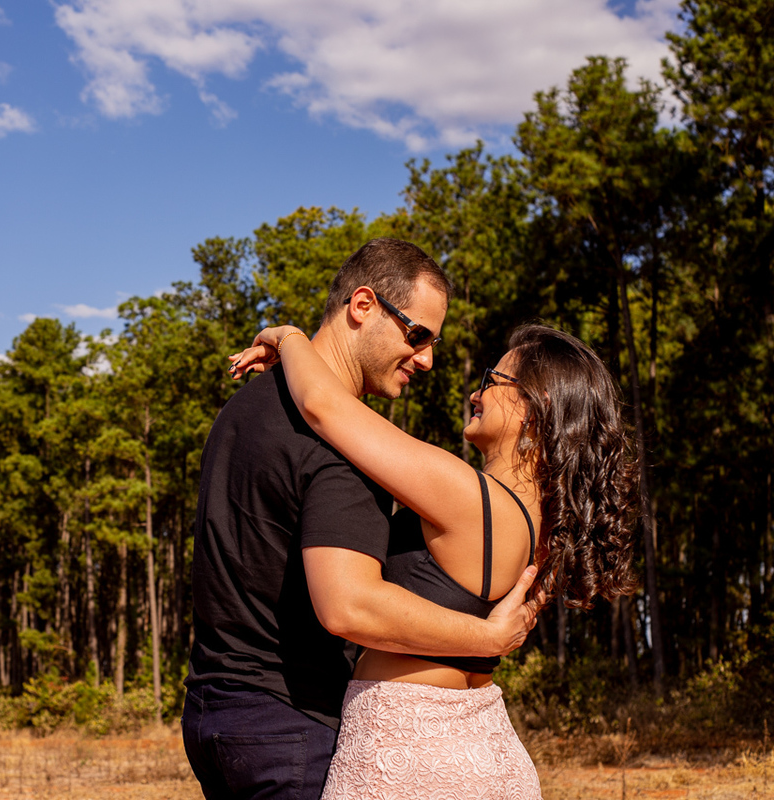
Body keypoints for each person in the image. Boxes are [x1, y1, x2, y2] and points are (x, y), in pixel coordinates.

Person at [181, 238, 541, 800]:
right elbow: (349, 605)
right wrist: (487, 636)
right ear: (363, 305)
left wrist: (286, 335)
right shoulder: (344, 448)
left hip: (210, 714)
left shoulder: (245, 406)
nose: (427, 359)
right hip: (292, 724)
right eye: (417, 335)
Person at [228, 319, 639, 798]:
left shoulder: (472, 498)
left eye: (492, 380)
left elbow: (324, 408)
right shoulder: (546, 522)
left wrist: (289, 338)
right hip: (478, 744)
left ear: (536, 404)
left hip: (410, 753)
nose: (475, 392)